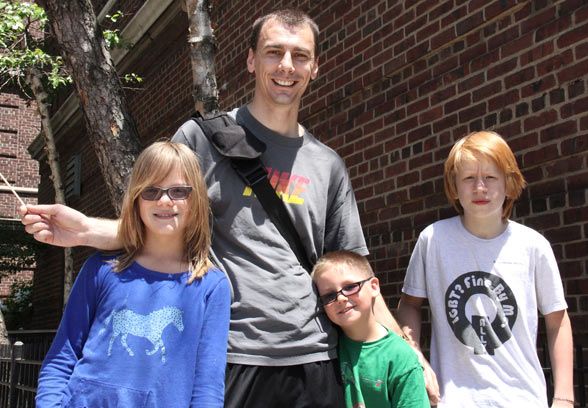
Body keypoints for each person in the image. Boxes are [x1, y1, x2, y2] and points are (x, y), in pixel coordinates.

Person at [21, 9, 438, 407]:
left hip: (315, 355)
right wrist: (87, 231)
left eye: (300, 56)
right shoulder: (203, 139)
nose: (286, 66)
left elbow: (357, 273)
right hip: (234, 355)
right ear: (252, 60)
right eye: (274, 52)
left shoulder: (327, 164)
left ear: (315, 68)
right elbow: (159, 220)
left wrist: (408, 351)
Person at [35, 141, 231, 407]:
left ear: (195, 200)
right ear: (136, 199)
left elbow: (208, 387)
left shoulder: (212, 286)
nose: (164, 200)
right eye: (151, 191)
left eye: (178, 191)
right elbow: (61, 358)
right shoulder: (101, 269)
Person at [396, 130, 574, 407]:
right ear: (454, 186)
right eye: (468, 178)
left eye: (490, 177)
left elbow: (558, 321)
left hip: (523, 398)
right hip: (452, 399)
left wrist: (564, 397)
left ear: (509, 182)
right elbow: (409, 304)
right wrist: (415, 357)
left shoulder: (533, 246)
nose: (480, 188)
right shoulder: (433, 240)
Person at [312, 250, 429, 408]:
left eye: (350, 287)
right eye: (329, 296)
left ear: (374, 286)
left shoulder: (401, 356)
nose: (340, 298)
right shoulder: (326, 347)